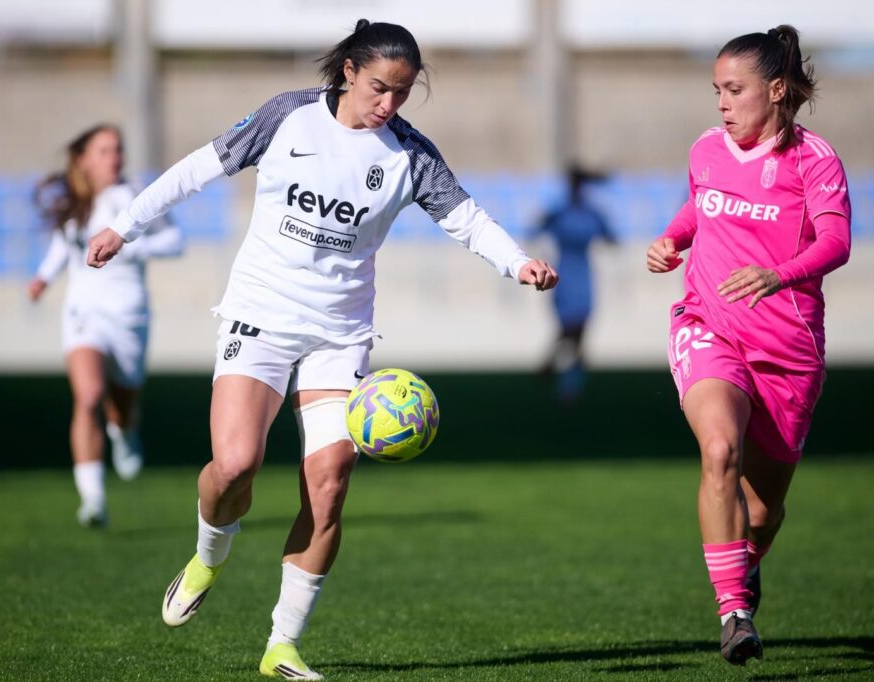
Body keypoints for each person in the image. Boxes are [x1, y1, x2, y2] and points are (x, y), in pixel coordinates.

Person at [87, 20, 557, 680]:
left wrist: (518, 264)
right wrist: (123, 226)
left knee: (329, 484)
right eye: (377, 88)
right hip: (259, 317)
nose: (387, 105)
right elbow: (199, 167)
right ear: (346, 73)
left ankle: (281, 644)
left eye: (401, 93)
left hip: (339, 336)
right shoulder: (289, 119)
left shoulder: (409, 154)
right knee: (234, 466)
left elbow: (466, 218)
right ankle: (207, 557)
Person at [646, 25, 851, 665]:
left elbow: (836, 243)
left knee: (761, 515)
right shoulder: (707, 149)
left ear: (777, 89)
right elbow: (699, 207)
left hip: (788, 351)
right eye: (717, 90)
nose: (722, 103)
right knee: (718, 448)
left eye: (734, 90)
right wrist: (671, 239)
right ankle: (734, 613)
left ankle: (748, 561)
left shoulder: (813, 160)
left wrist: (777, 274)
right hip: (707, 324)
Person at [28, 124, 184, 528]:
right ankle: (93, 498)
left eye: (118, 150)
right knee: (88, 396)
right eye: (104, 151)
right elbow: (64, 246)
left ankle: (125, 431)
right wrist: (43, 278)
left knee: (122, 406)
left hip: (129, 316)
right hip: (84, 314)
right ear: (83, 159)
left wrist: (133, 246)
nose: (114, 158)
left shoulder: (133, 197)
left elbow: (175, 242)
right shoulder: (74, 203)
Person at [537, 164, 615, 404]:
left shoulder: (587, 212)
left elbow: (611, 237)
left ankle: (561, 377)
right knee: (571, 328)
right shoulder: (561, 211)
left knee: (578, 332)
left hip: (580, 273)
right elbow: (538, 227)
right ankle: (564, 379)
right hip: (566, 273)